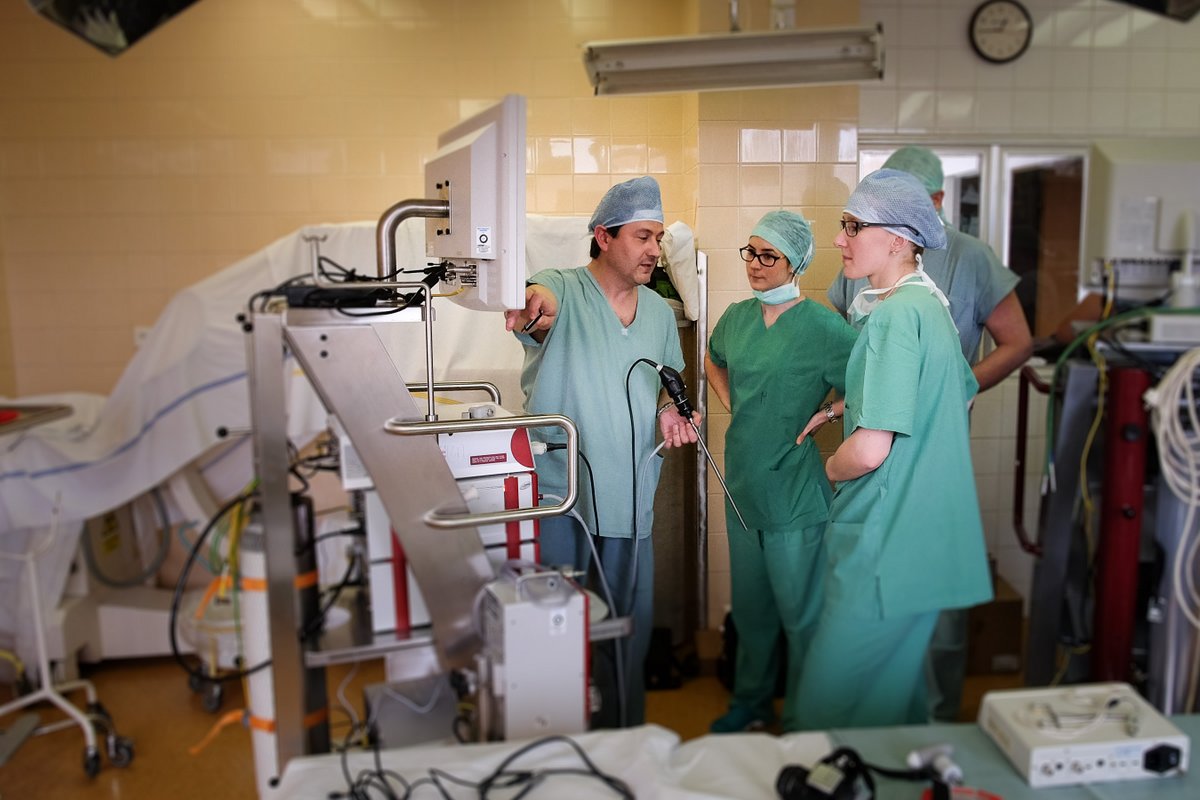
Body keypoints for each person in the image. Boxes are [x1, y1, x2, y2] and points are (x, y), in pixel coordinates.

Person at [827, 146, 1034, 723]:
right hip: (891, 445)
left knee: (907, 625)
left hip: (907, 461)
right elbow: (859, 348)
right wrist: (862, 397)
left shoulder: (939, 282)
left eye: (854, 226)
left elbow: (1015, 344)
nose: (843, 239)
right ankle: (907, 732)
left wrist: (944, 393)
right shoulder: (910, 296)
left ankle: (927, 722)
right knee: (896, 646)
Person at [792, 169, 992, 729]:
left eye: (854, 227)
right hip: (922, 543)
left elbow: (869, 451)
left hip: (885, 547)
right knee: (890, 711)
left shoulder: (895, 317)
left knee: (824, 714)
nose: (840, 239)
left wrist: (825, 469)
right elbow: (950, 395)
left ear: (900, 240)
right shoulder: (929, 308)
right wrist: (844, 407)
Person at [503, 176, 699, 728]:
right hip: (559, 496)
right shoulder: (563, 288)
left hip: (629, 493)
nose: (654, 250)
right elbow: (539, 301)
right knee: (554, 629)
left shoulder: (657, 312)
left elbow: (668, 383)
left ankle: (622, 736)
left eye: (657, 237)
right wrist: (534, 307)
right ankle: (554, 739)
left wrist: (671, 409)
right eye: (642, 236)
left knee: (625, 631)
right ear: (604, 237)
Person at [704, 211, 857, 733]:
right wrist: (734, 403)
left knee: (802, 616)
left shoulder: (823, 328)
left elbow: (871, 382)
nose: (755, 264)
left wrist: (829, 413)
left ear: (796, 263)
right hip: (744, 487)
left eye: (768, 255)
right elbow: (713, 359)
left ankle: (806, 717)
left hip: (793, 490)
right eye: (750, 252)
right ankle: (750, 703)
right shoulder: (737, 318)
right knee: (752, 612)